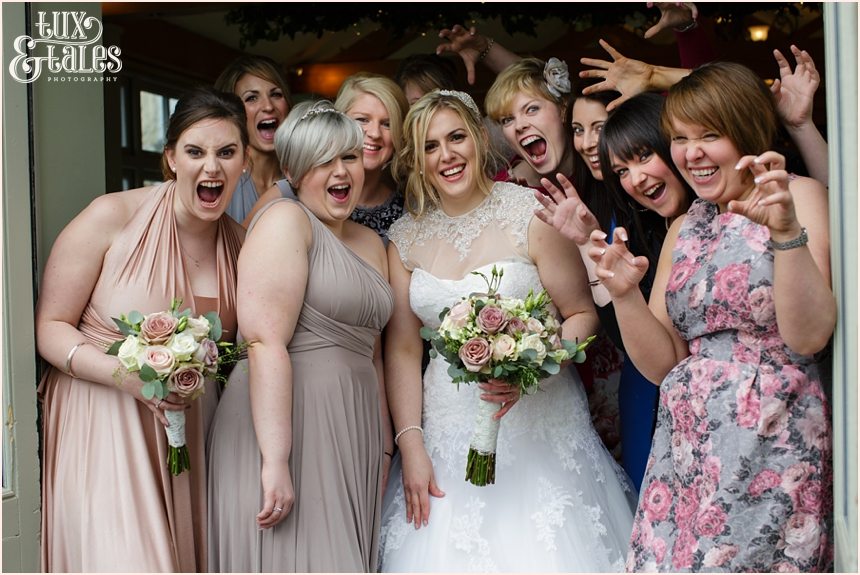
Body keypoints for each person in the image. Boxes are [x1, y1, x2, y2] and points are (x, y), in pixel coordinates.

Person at [378, 89, 635, 572]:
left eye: (457, 138)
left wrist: (530, 368)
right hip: (447, 434)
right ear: (417, 159)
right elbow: (403, 350)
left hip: (540, 426)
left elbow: (582, 315)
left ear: (478, 138)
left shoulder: (531, 212)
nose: (447, 155)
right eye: (431, 146)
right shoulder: (404, 238)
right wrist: (411, 446)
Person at [590, 61, 834, 571]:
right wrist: (625, 295)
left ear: (745, 130)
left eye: (709, 134)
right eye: (679, 137)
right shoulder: (686, 225)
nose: (690, 152)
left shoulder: (801, 196)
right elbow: (663, 364)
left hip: (770, 437)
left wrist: (787, 232)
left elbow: (808, 336)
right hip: (687, 447)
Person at [35, 87, 248, 572]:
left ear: (244, 164)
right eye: (195, 152)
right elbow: (49, 327)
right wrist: (125, 376)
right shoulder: (112, 217)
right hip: (103, 419)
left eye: (226, 153)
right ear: (171, 158)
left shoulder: (243, 249)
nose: (210, 167)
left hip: (188, 430)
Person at [207, 100, 393, 572]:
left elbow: (374, 352)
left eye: (349, 157)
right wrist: (275, 460)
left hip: (352, 428)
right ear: (292, 170)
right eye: (323, 161)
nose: (341, 171)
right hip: (286, 426)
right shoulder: (286, 221)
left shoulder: (371, 242)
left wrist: (384, 440)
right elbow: (263, 342)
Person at [536, 92, 697, 491]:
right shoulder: (639, 218)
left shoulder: (700, 216)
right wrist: (588, 247)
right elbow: (623, 331)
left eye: (643, 155)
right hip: (652, 387)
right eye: (621, 169)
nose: (636, 178)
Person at [214, 55, 293, 225]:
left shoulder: (305, 178)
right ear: (232, 112)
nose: (268, 106)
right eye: (252, 98)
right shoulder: (219, 181)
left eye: (276, 95)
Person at [334, 73, 410, 243]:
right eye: (362, 119)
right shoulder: (303, 190)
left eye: (387, 124)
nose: (375, 133)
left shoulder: (407, 210)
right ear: (338, 122)